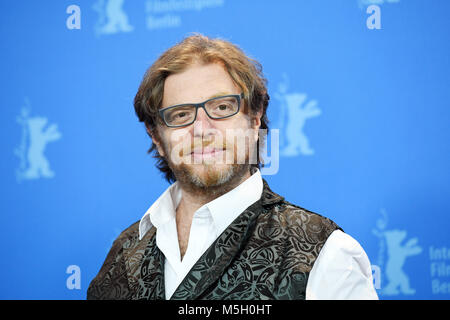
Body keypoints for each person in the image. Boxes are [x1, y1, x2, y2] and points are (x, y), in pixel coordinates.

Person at [87, 34, 378, 300]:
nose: (202, 130)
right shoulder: (123, 255)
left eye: (222, 108)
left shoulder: (325, 253)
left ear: (254, 119)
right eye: (181, 114)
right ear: (157, 137)